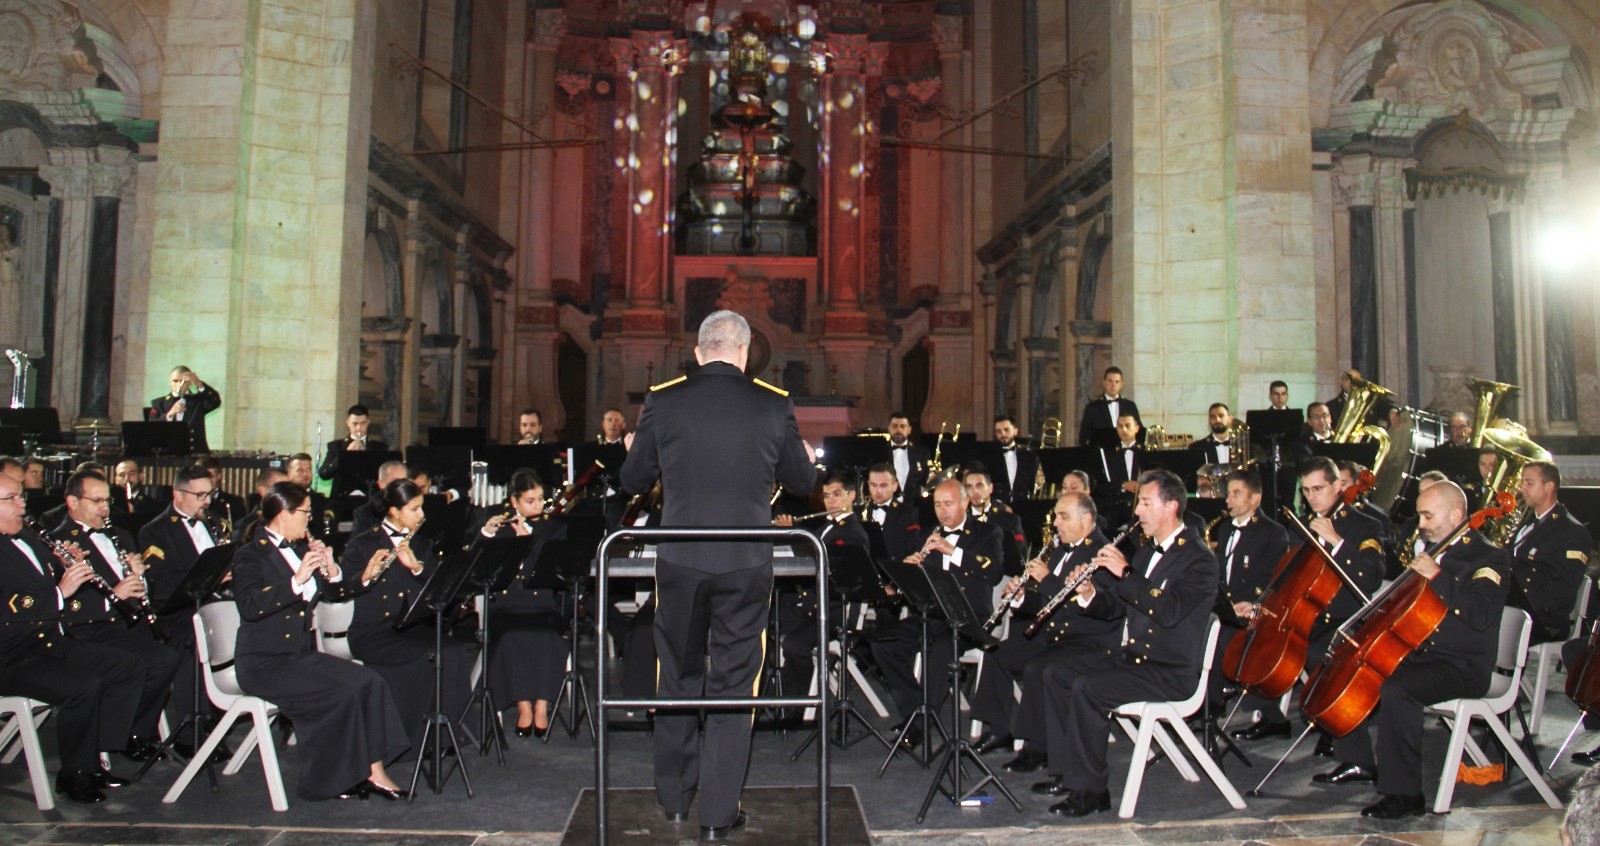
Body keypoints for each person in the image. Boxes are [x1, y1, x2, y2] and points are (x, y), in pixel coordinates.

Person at [619, 309, 817, 840]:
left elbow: (633, 478)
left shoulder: (663, 398)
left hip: (679, 558)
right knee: (734, 682)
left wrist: (638, 447)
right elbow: (801, 481)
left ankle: (676, 799)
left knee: (677, 673)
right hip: (746, 560)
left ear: (699, 350)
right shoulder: (773, 404)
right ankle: (717, 814)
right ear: (747, 351)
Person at [1314, 481, 1509, 818]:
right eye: (1419, 515)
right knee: (1367, 669)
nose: (1420, 524)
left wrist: (1437, 576)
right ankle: (1358, 761)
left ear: (1456, 515)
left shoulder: (1489, 557)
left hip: (1464, 666)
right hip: (1424, 655)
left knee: (1399, 689)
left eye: (1427, 515)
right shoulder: (1435, 550)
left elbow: (1479, 614)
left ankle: (1405, 794)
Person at [1032, 469, 1218, 816]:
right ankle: (1067, 773)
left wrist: (1126, 573)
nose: (1137, 512)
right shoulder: (1147, 553)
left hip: (1170, 671)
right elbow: (1117, 607)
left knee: (1088, 687)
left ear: (1170, 507)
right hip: (1136, 659)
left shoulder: (1200, 559)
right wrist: (1088, 594)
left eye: (1145, 503)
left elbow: (1168, 611)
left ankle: (1091, 792)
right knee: (1057, 674)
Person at [232, 482, 411, 800]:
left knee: (368, 680)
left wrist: (340, 572)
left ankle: (371, 770)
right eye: (305, 513)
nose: (309, 520)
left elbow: (334, 594)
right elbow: (249, 606)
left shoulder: (300, 550)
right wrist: (296, 580)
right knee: (340, 692)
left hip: (297, 655)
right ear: (284, 515)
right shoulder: (249, 554)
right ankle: (342, 778)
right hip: (263, 661)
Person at [0, 472, 145, 803]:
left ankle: (99, 754)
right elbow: (13, 609)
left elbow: (41, 579)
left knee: (126, 667)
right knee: (83, 687)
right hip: (10, 656)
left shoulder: (30, 538)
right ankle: (74, 774)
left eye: (22, 497)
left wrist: (67, 564)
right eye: (13, 499)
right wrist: (62, 590)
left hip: (47, 644)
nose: (23, 505)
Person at [1230, 456, 1385, 742]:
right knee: (1254, 635)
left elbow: (1370, 578)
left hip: (1342, 618)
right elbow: (1288, 576)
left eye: (1319, 489)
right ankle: (1273, 718)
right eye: (1306, 491)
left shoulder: (1367, 526)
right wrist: (1262, 605)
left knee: (1320, 654)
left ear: (1338, 485)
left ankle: (1344, 737)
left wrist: (1337, 542)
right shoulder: (1301, 525)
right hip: (1304, 614)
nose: (1312, 497)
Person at [970, 490, 1121, 768]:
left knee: (1037, 668)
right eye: (1056, 516)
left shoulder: (1102, 554)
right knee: (997, 654)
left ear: (1087, 520)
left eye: (1063, 517)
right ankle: (998, 731)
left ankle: (1038, 747)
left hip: (1085, 639)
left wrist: (1048, 579)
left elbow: (1085, 607)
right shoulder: (1061, 549)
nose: (1056, 524)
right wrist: (1019, 598)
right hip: (1055, 633)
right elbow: (1044, 603)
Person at [50, 471, 180, 763]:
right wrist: (115, 597)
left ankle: (135, 732)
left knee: (169, 656)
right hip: (86, 629)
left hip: (123, 623)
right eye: (96, 501)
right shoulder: (58, 543)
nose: (105, 508)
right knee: (145, 662)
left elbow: (140, 588)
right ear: (72, 501)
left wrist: (138, 578)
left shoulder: (119, 535)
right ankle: (105, 741)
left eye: (107, 500)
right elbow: (67, 601)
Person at [340, 479, 475, 755]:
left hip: (409, 627)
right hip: (373, 631)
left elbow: (441, 585)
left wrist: (417, 568)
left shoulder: (423, 544)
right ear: (394, 511)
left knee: (455, 652)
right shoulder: (363, 543)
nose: (422, 515)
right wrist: (367, 575)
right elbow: (342, 587)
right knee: (429, 656)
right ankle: (410, 742)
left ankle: (447, 736)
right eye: (414, 509)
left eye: (421, 508)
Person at [870, 478, 1002, 745]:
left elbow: (993, 571)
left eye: (948, 504)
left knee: (940, 650)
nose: (942, 511)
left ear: (965, 502)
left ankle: (919, 726)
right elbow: (919, 587)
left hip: (968, 617)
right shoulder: (928, 533)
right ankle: (915, 710)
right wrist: (910, 571)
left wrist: (952, 550)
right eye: (937, 504)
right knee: (883, 644)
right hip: (932, 615)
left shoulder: (988, 533)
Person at [137, 465, 227, 760]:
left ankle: (219, 716)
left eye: (209, 494)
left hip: (210, 605)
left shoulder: (212, 523)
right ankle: (191, 733)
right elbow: (161, 586)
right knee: (196, 640)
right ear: (177, 494)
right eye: (200, 495)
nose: (207, 501)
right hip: (176, 614)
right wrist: (210, 577)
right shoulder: (154, 531)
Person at [472, 469, 567, 737]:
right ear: (514, 501)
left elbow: (556, 568)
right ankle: (524, 706)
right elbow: (477, 566)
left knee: (547, 636)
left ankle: (542, 706)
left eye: (540, 499)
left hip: (542, 604)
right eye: (529, 500)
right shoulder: (501, 528)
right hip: (508, 605)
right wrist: (488, 534)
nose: (537, 505)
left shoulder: (554, 528)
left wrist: (531, 541)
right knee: (512, 636)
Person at [775, 469, 871, 698]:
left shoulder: (853, 533)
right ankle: (775, 694)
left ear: (852, 496)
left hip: (836, 610)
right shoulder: (824, 527)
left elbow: (824, 565)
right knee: (771, 621)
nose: (830, 501)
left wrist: (793, 535)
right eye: (826, 496)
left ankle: (801, 703)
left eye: (837, 494)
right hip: (816, 604)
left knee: (794, 644)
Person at [1206, 469, 1290, 717]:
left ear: (1254, 499)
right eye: (1228, 494)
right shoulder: (1224, 529)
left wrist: (1251, 604)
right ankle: (1209, 699)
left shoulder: (1273, 532)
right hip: (1228, 607)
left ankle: (1216, 705)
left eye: (1236, 494)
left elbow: (1274, 581)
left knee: (1219, 636)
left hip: (1255, 610)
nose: (1228, 500)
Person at [1506, 461, 1592, 644]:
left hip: (1546, 618)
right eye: (1522, 483)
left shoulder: (1572, 531)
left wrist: (1521, 605)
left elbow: (1563, 586)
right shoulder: (1527, 521)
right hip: (1517, 606)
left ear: (1549, 486)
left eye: (1529, 483)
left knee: (1487, 625)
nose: (1522, 488)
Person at [965, 464, 1027, 576]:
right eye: (969, 487)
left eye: (979, 486)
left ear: (990, 488)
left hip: (1001, 577)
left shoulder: (1010, 520)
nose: (974, 492)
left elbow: (1020, 556)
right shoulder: (962, 519)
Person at [147, 366, 221, 454]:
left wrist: (199, 384)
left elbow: (215, 401)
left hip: (194, 453)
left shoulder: (198, 401)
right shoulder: (159, 403)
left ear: (189, 383)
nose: (179, 384)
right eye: (175, 381)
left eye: (183, 382)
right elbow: (151, 426)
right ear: (169, 381)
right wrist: (169, 414)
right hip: (168, 454)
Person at [317, 404, 390, 493]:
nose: (359, 428)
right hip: (342, 499)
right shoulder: (336, 446)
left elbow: (385, 476)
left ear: (368, 422)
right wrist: (345, 454)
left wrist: (366, 455)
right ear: (347, 423)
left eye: (363, 423)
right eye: (354, 424)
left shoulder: (379, 447)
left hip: (369, 498)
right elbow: (324, 474)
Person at [862, 462, 922, 563]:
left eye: (883, 486)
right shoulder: (858, 512)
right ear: (868, 484)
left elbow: (913, 549)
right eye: (873, 485)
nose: (878, 491)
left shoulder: (908, 513)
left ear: (894, 486)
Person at [1078, 366, 1141, 447]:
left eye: (1117, 382)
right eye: (1110, 381)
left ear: (1121, 384)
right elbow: (1083, 436)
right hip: (1103, 453)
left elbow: (1138, 431)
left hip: (1126, 452)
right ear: (1104, 383)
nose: (1113, 385)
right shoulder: (1092, 408)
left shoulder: (1130, 406)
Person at [231, 467, 287, 543]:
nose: (289, 494)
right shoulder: (247, 524)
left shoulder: (295, 517)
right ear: (263, 491)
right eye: (281, 488)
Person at [992, 415, 1039, 505]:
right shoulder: (991, 457)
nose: (1003, 434)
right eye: (998, 431)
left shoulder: (1030, 457)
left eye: (1006, 430)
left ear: (1015, 431)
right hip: (999, 509)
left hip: (1024, 506)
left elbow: (1033, 485)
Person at [285, 452, 330, 538]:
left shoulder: (320, 500)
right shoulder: (283, 499)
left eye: (308, 469)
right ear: (289, 475)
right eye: (299, 470)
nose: (305, 474)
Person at [886, 412, 931, 497]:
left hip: (915, 505)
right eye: (894, 426)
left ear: (909, 430)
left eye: (903, 426)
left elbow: (927, 481)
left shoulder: (922, 452)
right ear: (889, 428)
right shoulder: (880, 451)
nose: (898, 430)